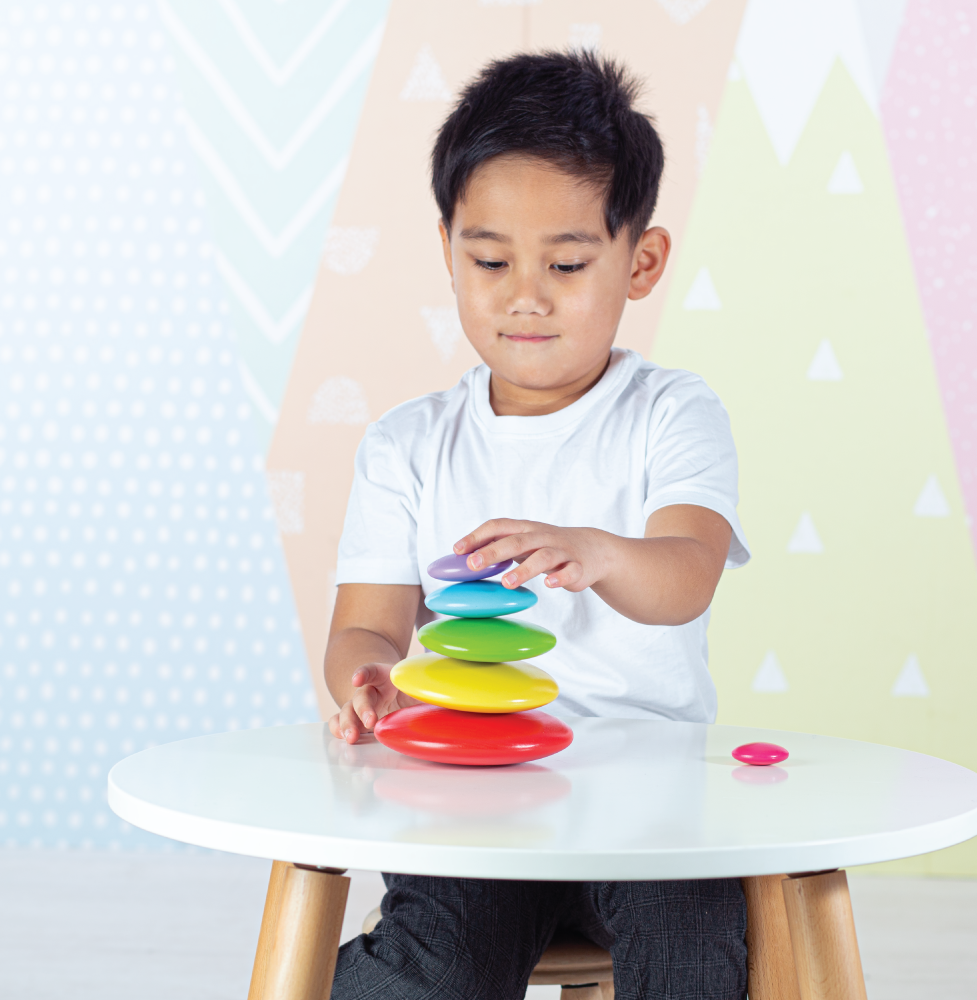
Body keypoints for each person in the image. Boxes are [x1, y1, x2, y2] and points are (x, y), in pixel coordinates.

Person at [326, 49, 750, 1000]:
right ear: (447, 251)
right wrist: (366, 680)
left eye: (565, 262)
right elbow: (366, 625)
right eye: (489, 260)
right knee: (432, 968)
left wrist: (597, 551)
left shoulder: (672, 413)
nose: (525, 293)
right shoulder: (409, 444)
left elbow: (686, 575)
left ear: (640, 262)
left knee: (695, 954)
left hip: (653, 805)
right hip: (474, 804)